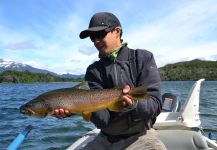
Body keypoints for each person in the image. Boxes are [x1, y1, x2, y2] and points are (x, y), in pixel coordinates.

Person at [54, 12, 166, 150]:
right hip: (105, 139)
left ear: (117, 31)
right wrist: (75, 107)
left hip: (141, 137)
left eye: (100, 35)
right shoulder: (93, 70)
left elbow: (155, 105)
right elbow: (103, 120)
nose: (95, 41)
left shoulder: (143, 58)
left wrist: (133, 104)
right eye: (92, 38)